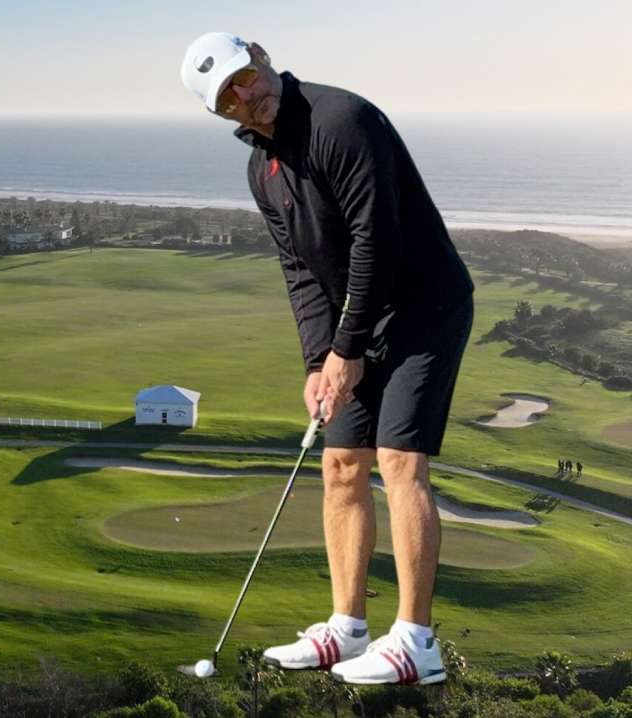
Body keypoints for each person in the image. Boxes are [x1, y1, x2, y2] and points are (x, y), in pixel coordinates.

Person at [181, 32, 474, 686]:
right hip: (358, 324)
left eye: (244, 77)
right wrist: (320, 362)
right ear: (220, 113)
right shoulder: (263, 170)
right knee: (341, 461)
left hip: (424, 307)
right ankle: (346, 628)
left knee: (398, 459)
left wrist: (347, 348)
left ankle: (416, 641)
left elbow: (379, 239)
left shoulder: (341, 121)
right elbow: (301, 272)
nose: (245, 96)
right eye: (227, 96)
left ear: (260, 54)